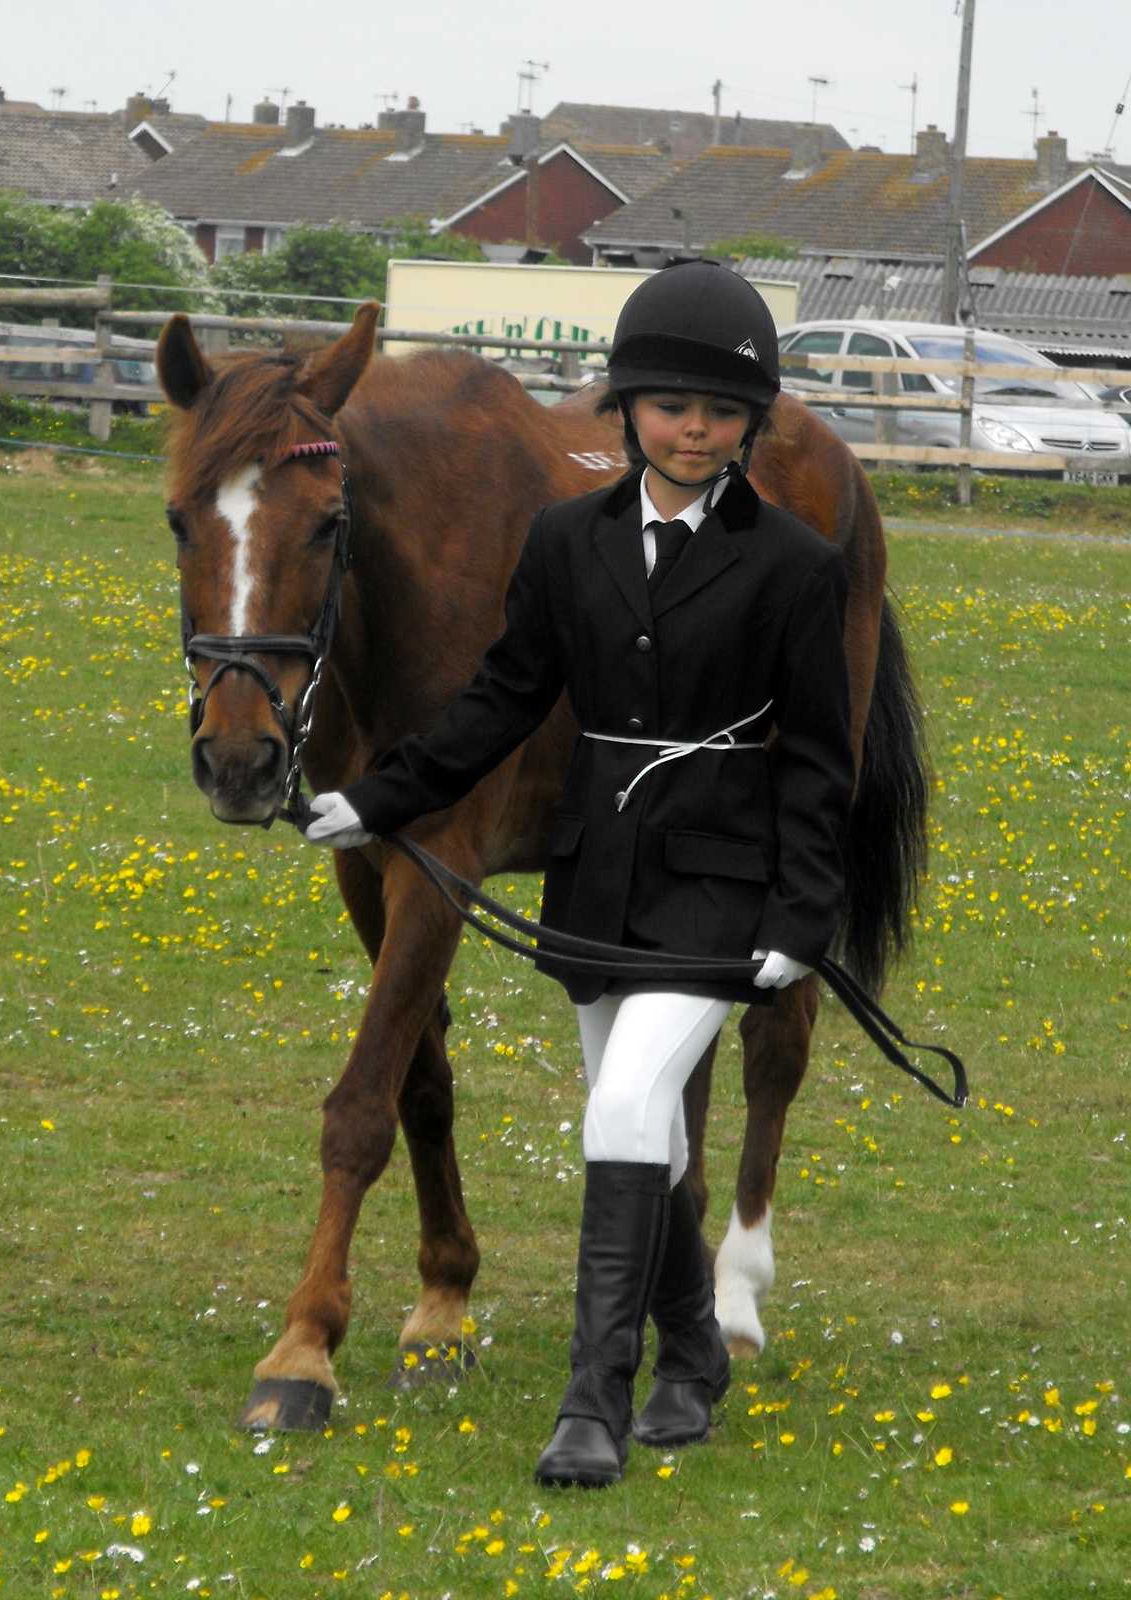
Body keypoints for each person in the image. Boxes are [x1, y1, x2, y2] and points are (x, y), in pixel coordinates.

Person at [304, 261, 856, 1487]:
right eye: (671, 406)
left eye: (722, 412)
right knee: (646, 1132)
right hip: (600, 878)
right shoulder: (565, 540)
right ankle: (693, 1353)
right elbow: (502, 699)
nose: (695, 429)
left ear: (752, 424)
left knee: (620, 1110)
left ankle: (592, 1398)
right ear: (628, 409)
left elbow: (822, 761)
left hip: (722, 884)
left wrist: (803, 915)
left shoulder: (795, 566)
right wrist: (378, 799)